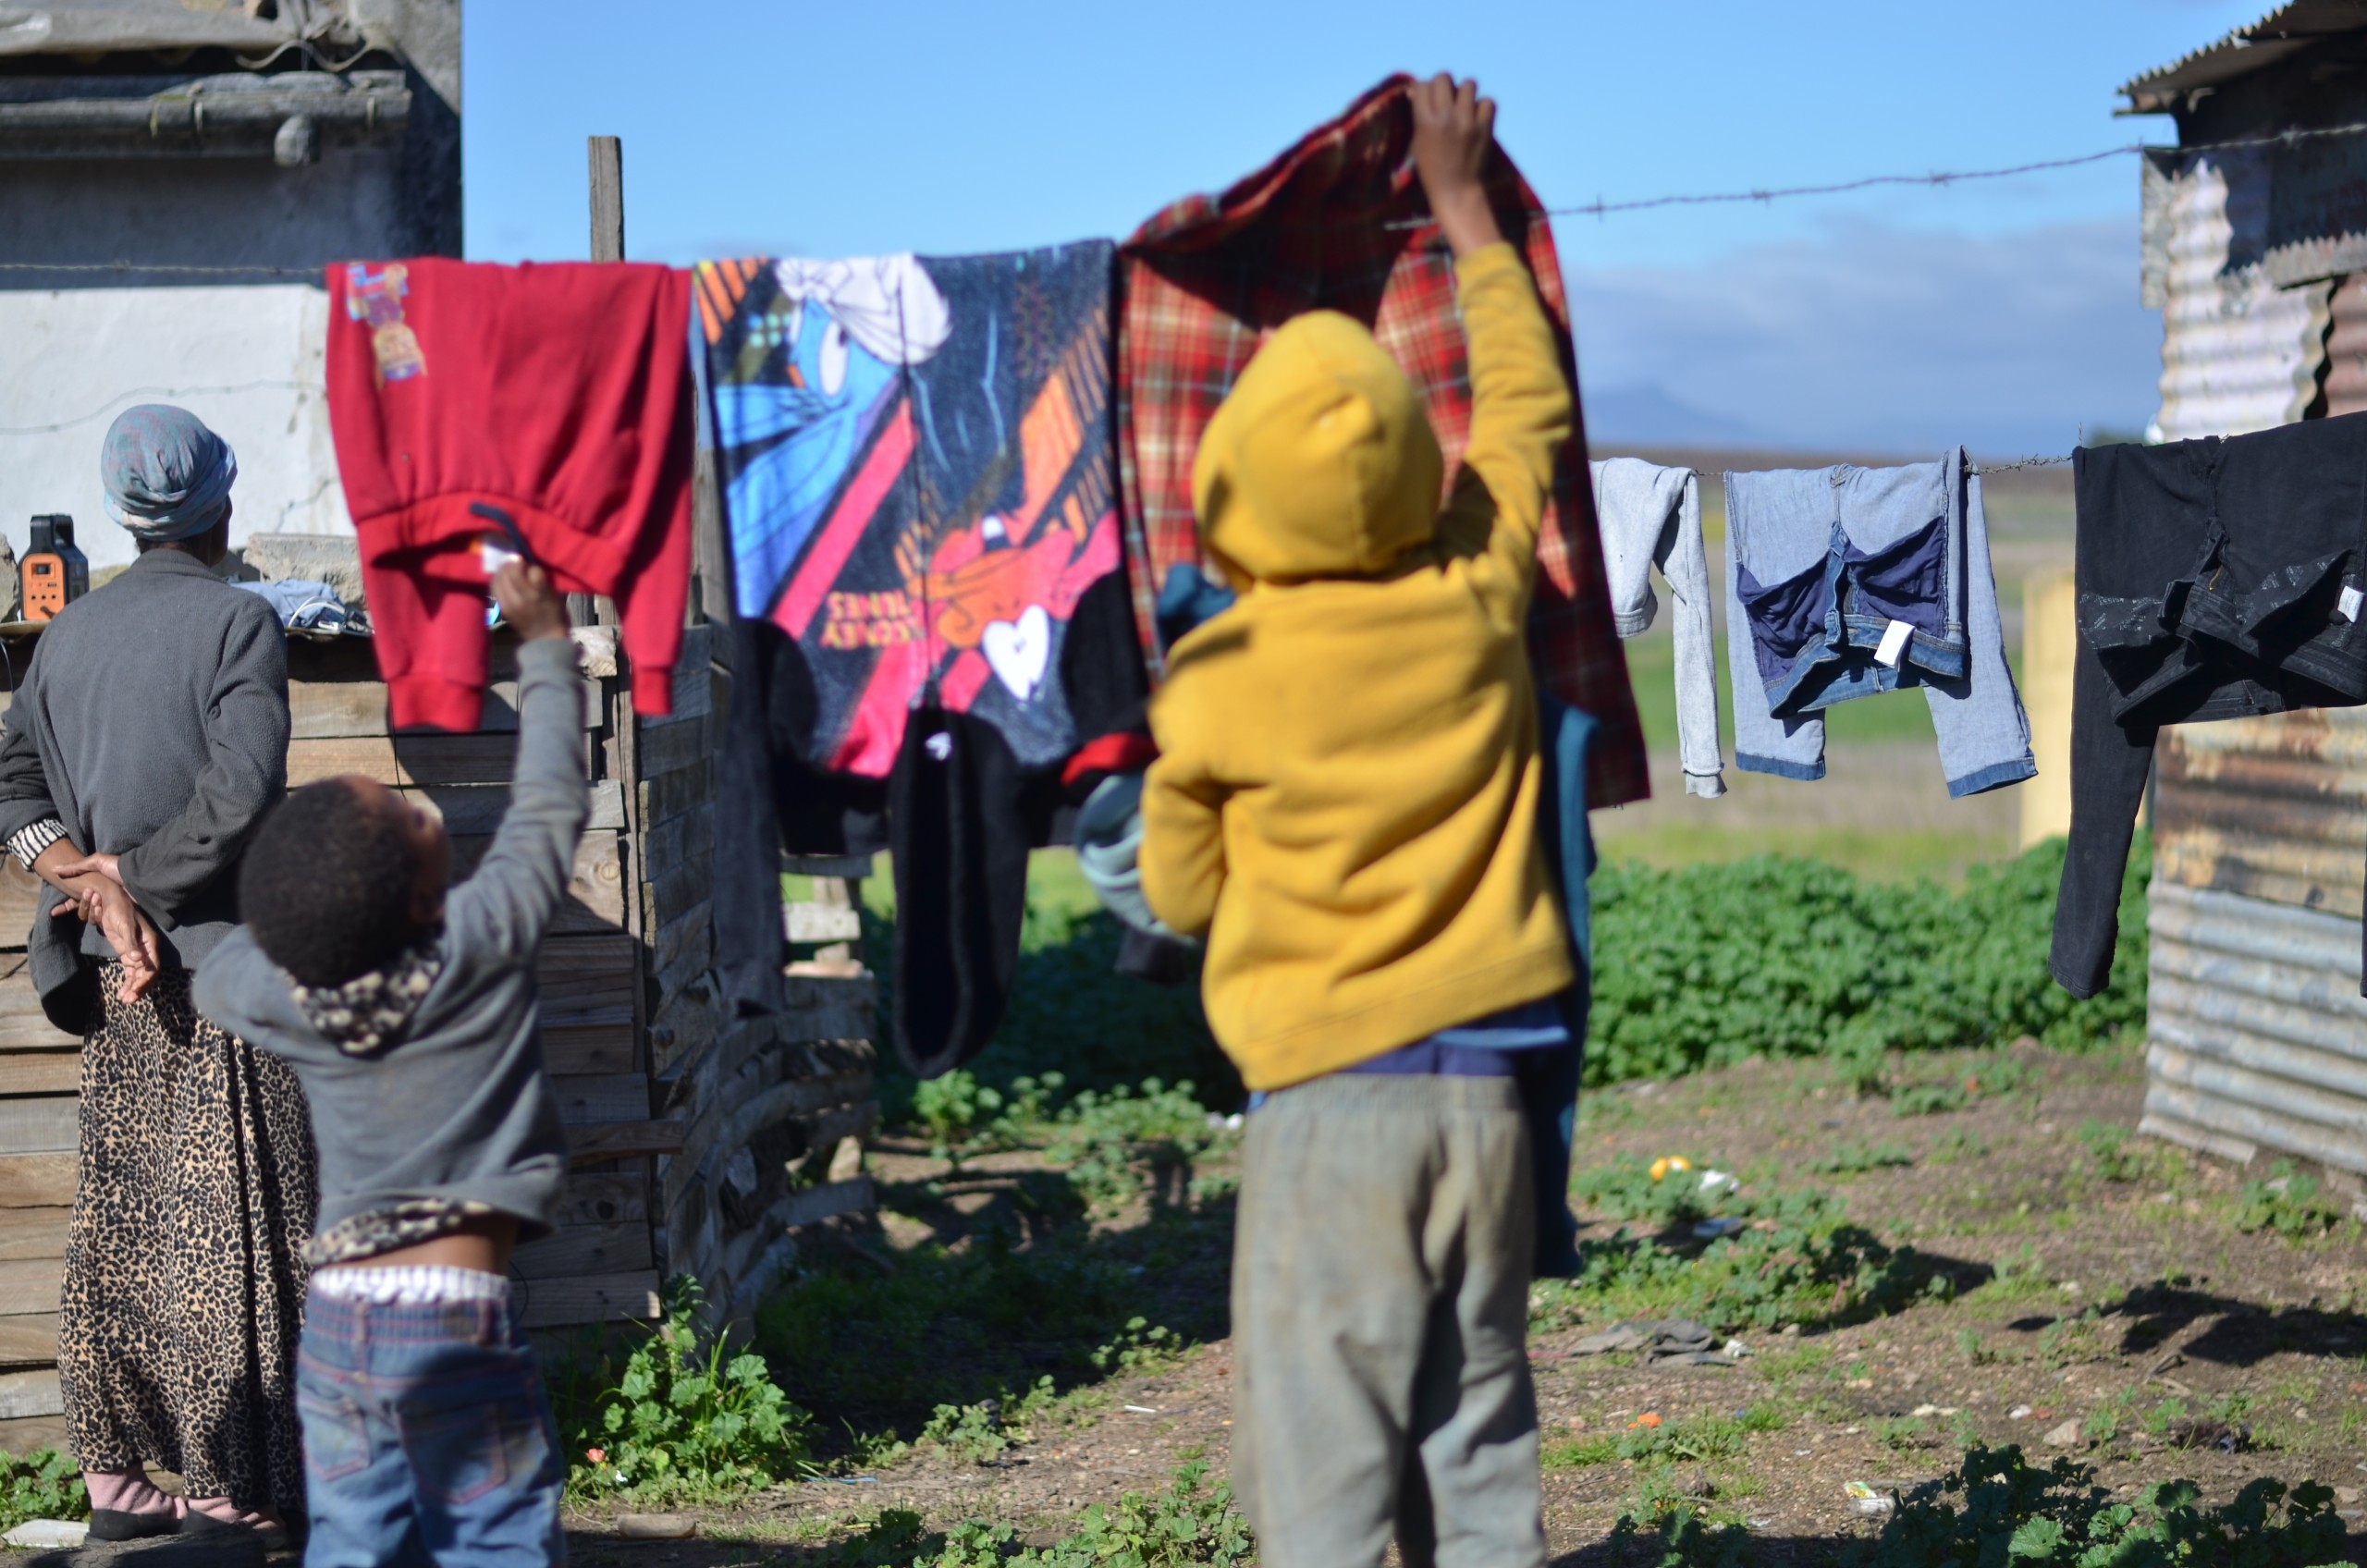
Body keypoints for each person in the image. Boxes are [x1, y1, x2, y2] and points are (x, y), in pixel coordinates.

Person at [1139, 76, 1575, 1568]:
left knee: (1321, 1461)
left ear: (1232, 488)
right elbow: (1524, 407)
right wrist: (1463, 207)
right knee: (1477, 1434)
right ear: (1409, 468)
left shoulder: (1221, 679)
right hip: (1491, 1098)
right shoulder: (1474, 592)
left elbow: (1180, 891)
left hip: (1328, 1106)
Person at [195, 559, 581, 1567]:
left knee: (355, 1545)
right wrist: (546, 647)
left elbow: (222, 969)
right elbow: (547, 811)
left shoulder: (286, 995)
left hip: (339, 1321)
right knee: (495, 1544)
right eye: (409, 818)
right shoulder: (478, 948)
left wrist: (300, 911)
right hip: (454, 1320)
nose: (426, 807)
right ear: (417, 896)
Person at [0, 405, 313, 1546]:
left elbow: (13, 791)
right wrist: (122, 878)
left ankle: (121, 1489)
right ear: (220, 510)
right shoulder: (238, 622)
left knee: (124, 1229)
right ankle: (233, 1495)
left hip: (113, 986)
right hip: (222, 973)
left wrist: (85, 883)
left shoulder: (66, 636)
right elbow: (239, 794)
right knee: (236, 1233)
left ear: (123, 518)